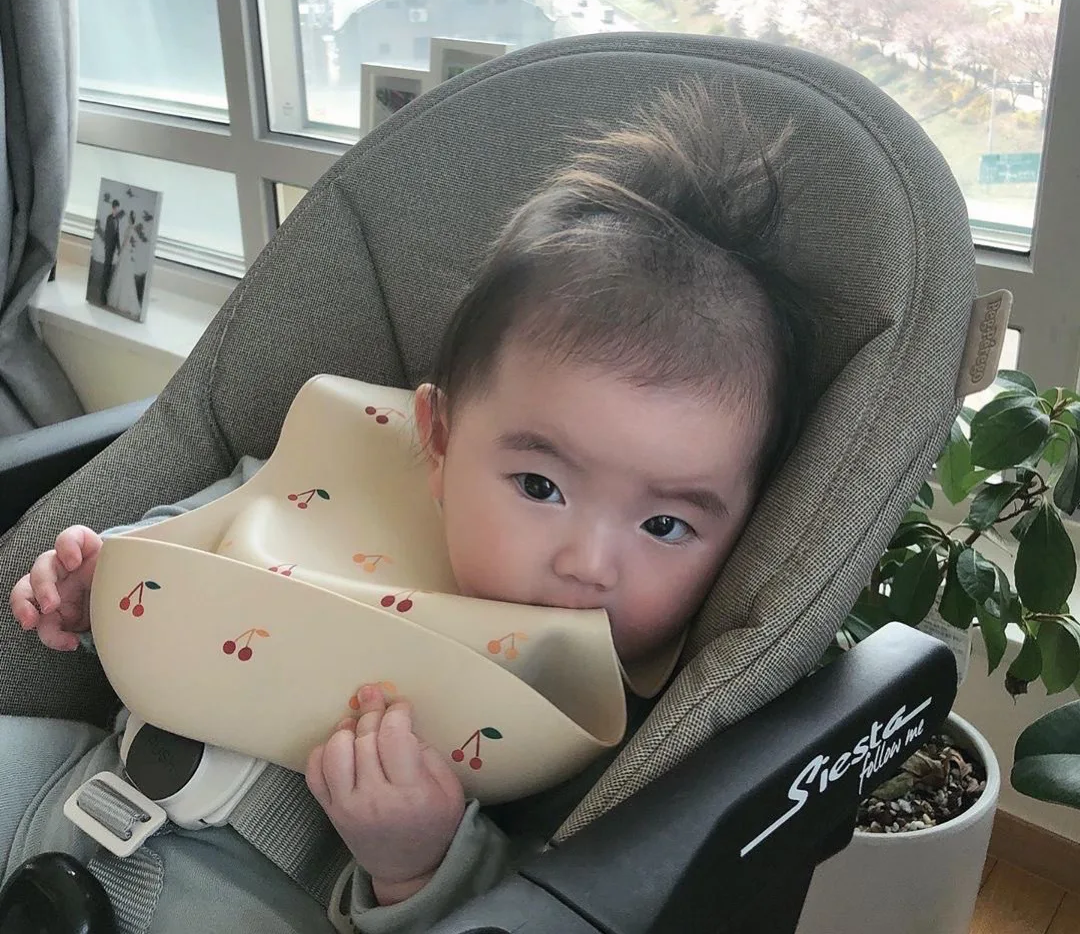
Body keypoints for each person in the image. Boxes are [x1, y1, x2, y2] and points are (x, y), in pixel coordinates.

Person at [4, 83, 818, 934]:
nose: (589, 563)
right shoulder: (339, 476)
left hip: (267, 901)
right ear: (438, 440)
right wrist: (101, 581)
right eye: (540, 487)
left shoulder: (616, 722)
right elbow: (195, 539)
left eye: (665, 526)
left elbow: (548, 909)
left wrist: (422, 865)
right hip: (71, 787)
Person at [106, 210, 142, 318]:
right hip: (128, 252)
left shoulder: (130, 228)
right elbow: (132, 242)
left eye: (129, 218)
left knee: (122, 273)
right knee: (125, 274)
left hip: (125, 252)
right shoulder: (132, 229)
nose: (128, 219)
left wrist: (121, 251)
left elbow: (126, 242)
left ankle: (120, 301)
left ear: (130, 219)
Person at [99, 200, 123, 306]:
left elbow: (117, 235)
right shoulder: (109, 218)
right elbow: (107, 234)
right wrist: (107, 246)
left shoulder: (117, 219)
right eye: (116, 208)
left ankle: (105, 293)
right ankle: (102, 295)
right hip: (108, 248)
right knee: (106, 270)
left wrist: (119, 248)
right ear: (113, 208)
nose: (117, 210)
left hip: (113, 248)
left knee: (108, 270)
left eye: (118, 208)